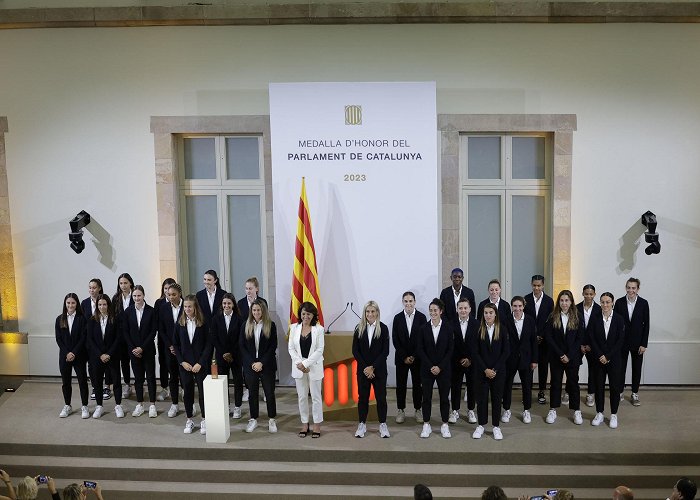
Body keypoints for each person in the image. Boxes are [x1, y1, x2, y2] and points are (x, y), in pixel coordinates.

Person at [470, 303, 510, 440]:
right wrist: (485, 369)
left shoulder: (503, 330)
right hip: (481, 372)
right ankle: (481, 425)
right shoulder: (477, 329)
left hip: (498, 372)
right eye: (486, 313)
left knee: (497, 399)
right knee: (481, 399)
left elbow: (506, 352)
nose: (488, 315)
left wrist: (495, 369)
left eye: (490, 313)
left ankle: (496, 427)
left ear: (495, 314)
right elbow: (474, 352)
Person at [174, 294, 212, 434]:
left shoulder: (203, 323)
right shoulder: (180, 323)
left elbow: (209, 345)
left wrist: (200, 363)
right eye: (185, 306)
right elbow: (176, 345)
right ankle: (189, 419)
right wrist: (182, 362)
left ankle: (204, 419)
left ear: (195, 307)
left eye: (190, 306)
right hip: (185, 365)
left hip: (200, 365)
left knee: (203, 393)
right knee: (188, 393)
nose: (187, 309)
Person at [416, 298, 454, 438]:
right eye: (431, 310)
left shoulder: (449, 328)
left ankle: (445, 424)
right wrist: (431, 366)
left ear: (441, 311)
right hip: (427, 369)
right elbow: (420, 349)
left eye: (435, 310)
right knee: (426, 397)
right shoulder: (423, 328)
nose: (433, 313)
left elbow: (450, 350)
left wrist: (440, 366)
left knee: (444, 397)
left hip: (444, 369)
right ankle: (426, 424)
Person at [544, 290, 583, 425]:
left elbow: (579, 338)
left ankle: (576, 410)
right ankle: (553, 409)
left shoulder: (578, 316)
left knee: (573, 384)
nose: (564, 303)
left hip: (573, 357)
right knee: (555, 383)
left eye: (567, 300)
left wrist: (569, 355)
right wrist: (561, 354)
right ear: (558, 302)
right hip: (556, 357)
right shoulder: (552, 316)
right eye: (562, 300)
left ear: (571, 301)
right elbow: (548, 337)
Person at [352, 300, 390, 438]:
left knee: (381, 398)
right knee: (363, 398)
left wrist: (373, 367)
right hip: (363, 372)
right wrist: (366, 368)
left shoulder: (384, 328)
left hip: (378, 371)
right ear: (364, 313)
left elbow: (385, 352)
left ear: (377, 313)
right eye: (367, 311)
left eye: (373, 311)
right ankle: (362, 424)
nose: (370, 314)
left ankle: (383, 424)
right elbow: (355, 351)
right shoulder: (358, 328)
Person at [240, 299, 278, 433]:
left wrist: (261, 362)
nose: (256, 312)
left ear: (263, 311)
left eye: (259, 310)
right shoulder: (245, 324)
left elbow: (273, 346)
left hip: (266, 365)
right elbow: (242, 347)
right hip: (250, 365)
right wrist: (252, 363)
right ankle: (253, 419)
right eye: (254, 310)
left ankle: (272, 419)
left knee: (269, 393)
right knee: (253, 394)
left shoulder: (271, 325)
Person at [288, 301, 325, 438]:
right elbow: (291, 348)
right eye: (303, 313)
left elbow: (320, 350)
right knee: (302, 397)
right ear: (300, 314)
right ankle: (305, 424)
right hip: (298, 367)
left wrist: (306, 364)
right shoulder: (294, 328)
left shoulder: (319, 329)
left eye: (308, 314)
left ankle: (316, 425)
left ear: (313, 315)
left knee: (316, 397)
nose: (305, 316)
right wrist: (300, 363)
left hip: (313, 367)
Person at [590, 292, 625, 429]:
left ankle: (614, 414)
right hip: (598, 359)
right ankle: (599, 413)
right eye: (603, 302)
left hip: (614, 359)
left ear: (612, 303)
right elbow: (592, 338)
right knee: (599, 386)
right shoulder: (595, 318)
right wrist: (600, 355)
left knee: (614, 387)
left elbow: (620, 340)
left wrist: (608, 356)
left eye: (608, 302)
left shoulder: (619, 319)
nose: (605, 305)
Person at [391, 291, 427, 424]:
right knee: (401, 385)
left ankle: (418, 409)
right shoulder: (397, 318)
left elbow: (423, 339)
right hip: (401, 358)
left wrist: (413, 356)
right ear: (403, 302)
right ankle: (401, 410)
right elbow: (395, 339)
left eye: (411, 301)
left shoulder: (422, 317)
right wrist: (405, 356)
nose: (408, 304)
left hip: (417, 359)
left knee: (418, 385)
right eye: (406, 301)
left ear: (415, 302)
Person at [122, 285, 158, 418]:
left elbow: (153, 331)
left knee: (150, 378)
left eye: (139, 295)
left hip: (147, 350)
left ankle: (152, 404)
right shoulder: (128, 311)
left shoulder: (151, 311)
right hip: (133, 351)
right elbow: (126, 332)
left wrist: (142, 347)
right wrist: (133, 348)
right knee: (138, 379)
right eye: (134, 296)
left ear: (144, 296)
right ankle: (140, 404)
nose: (137, 298)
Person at [86, 294, 124, 419]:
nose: (102, 307)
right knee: (97, 381)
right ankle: (99, 406)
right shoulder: (92, 320)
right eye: (100, 304)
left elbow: (118, 338)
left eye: (104, 304)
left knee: (116, 381)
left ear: (108, 305)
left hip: (112, 355)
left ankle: (118, 405)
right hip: (97, 356)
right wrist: (100, 354)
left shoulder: (115, 319)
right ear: (97, 306)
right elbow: (90, 339)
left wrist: (108, 354)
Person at [613, 277, 649, 406]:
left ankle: (634, 393)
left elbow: (646, 325)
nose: (631, 290)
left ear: (638, 289)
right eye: (629, 287)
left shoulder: (644, 303)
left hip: (638, 343)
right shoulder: (619, 302)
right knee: (620, 369)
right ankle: (620, 391)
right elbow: (615, 324)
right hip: (622, 343)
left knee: (636, 369)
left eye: (633, 288)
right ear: (626, 288)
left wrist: (644, 344)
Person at [502, 296, 538, 424]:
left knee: (527, 386)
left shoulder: (530, 320)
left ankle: (526, 410)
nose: (517, 309)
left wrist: (534, 360)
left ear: (523, 306)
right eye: (515, 306)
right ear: (511, 307)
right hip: (509, 359)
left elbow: (534, 341)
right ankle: (506, 409)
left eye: (520, 306)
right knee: (507, 386)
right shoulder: (505, 320)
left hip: (526, 359)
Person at [55, 292, 90, 419]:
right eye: (68, 303)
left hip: (79, 355)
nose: (70, 305)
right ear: (65, 304)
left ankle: (85, 406)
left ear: (77, 304)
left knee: (82, 381)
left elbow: (83, 337)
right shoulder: (60, 319)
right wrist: (67, 353)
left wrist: (74, 352)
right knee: (66, 382)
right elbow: (59, 339)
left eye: (73, 303)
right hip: (64, 356)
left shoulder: (82, 318)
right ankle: (67, 405)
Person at [210, 292, 244, 419]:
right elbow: (214, 338)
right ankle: (226, 406)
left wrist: (231, 353)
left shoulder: (240, 319)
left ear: (233, 305)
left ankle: (237, 407)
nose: (226, 305)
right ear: (221, 305)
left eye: (229, 303)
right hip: (221, 356)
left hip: (236, 356)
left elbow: (241, 339)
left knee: (237, 382)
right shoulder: (216, 319)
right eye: (224, 303)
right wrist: (224, 352)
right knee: (223, 382)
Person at [524, 275, 554, 405]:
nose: (536, 288)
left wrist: (542, 335)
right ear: (531, 284)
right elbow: (524, 320)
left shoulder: (549, 301)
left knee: (543, 366)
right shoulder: (526, 299)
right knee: (529, 366)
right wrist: (533, 336)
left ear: (543, 285)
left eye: (539, 285)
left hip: (544, 340)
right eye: (534, 285)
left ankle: (542, 391)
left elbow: (550, 321)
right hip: (530, 339)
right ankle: (528, 390)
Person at [449, 297, 478, 424]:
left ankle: (471, 409)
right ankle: (455, 410)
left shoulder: (477, 324)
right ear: (457, 309)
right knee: (455, 386)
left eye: (465, 308)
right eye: (460, 308)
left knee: (472, 386)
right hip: (456, 361)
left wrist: (470, 359)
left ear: (470, 309)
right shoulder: (450, 324)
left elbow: (478, 345)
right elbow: (450, 345)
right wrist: (460, 359)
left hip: (472, 362)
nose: (463, 310)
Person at [81, 278, 110, 403]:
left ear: (99, 288)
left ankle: (107, 387)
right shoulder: (84, 303)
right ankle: (95, 387)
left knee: (107, 364)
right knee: (92, 365)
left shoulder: (104, 301)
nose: (91, 290)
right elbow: (82, 322)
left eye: (94, 287)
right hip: (90, 340)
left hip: (103, 339)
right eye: (90, 288)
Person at [158, 283, 184, 418]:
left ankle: (189, 404)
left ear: (179, 294)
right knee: (173, 376)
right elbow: (161, 330)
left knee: (186, 377)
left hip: (185, 349)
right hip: (170, 349)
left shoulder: (188, 306)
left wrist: (180, 346)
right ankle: (174, 404)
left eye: (174, 294)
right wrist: (170, 346)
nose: (171, 297)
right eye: (169, 295)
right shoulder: (163, 308)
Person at [577, 284, 602, 408]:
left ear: (594, 294)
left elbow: (599, 330)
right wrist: (580, 344)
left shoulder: (599, 309)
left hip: (592, 345)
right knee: (573, 368)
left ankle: (590, 393)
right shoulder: (575, 308)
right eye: (586, 293)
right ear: (583, 294)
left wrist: (591, 345)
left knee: (593, 370)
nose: (588, 296)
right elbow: (574, 329)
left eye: (591, 294)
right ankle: (570, 391)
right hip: (578, 344)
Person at [111, 273, 134, 399]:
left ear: (130, 283)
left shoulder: (136, 295)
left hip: (133, 335)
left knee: (135, 360)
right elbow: (114, 317)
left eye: (125, 283)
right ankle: (127, 384)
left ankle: (138, 383)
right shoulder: (116, 298)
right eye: (121, 283)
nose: (123, 286)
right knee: (123, 361)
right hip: (120, 335)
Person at [154, 277, 176, 402]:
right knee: (164, 363)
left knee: (177, 365)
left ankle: (181, 388)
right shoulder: (159, 303)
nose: (168, 291)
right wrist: (168, 343)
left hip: (177, 341)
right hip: (163, 340)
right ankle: (164, 388)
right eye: (165, 288)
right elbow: (158, 324)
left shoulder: (180, 303)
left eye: (170, 288)